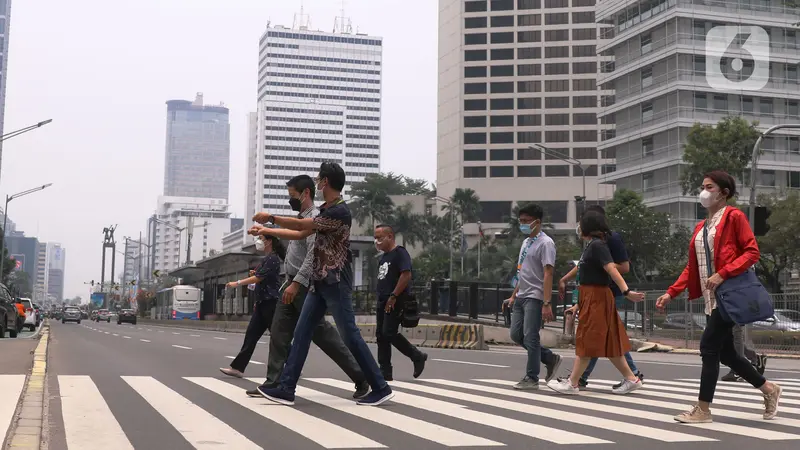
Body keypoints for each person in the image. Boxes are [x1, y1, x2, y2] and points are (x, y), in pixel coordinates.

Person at [252, 162, 393, 407]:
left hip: (335, 282)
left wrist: (271, 218)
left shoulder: (339, 212)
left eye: (319, 179)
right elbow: (298, 234)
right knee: (302, 333)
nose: (317, 183)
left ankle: (380, 387)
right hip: (319, 282)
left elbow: (302, 226)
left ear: (325, 181)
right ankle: (286, 388)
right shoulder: (326, 209)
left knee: (349, 336)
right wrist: (268, 230)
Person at [656, 171, 782, 423]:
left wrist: (722, 274)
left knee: (708, 348)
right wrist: (671, 292)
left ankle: (703, 409)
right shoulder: (701, 227)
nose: (704, 191)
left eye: (709, 186)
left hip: (729, 295)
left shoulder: (734, 216)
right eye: (702, 186)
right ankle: (769, 388)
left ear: (723, 192)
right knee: (727, 354)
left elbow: (751, 252)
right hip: (711, 298)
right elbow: (693, 267)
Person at [547, 211, 645, 395]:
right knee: (608, 342)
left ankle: (573, 383)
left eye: (581, 224)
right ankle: (632, 379)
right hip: (592, 297)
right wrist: (578, 301)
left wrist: (626, 291)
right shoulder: (593, 245)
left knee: (587, 339)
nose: (578, 227)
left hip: (597, 298)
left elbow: (612, 270)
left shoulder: (598, 246)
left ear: (588, 227)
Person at [507, 203, 562, 390]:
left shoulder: (546, 243)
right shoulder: (526, 242)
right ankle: (548, 357)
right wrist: (513, 295)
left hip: (535, 297)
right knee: (516, 334)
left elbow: (548, 274)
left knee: (531, 337)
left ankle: (532, 378)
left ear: (537, 222)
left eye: (525, 221)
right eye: (520, 220)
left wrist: (547, 302)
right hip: (521, 295)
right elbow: (522, 271)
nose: (522, 224)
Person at [219, 234, 286, 378]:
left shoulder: (272, 258)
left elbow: (259, 278)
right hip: (262, 303)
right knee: (251, 336)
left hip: (271, 303)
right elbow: (259, 276)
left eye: (261, 238)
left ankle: (292, 365)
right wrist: (255, 274)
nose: (258, 241)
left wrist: (236, 283)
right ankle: (238, 368)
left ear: (269, 241)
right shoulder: (266, 259)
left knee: (277, 337)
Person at [373, 224, 427, 381]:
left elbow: (406, 275)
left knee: (389, 333)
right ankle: (385, 371)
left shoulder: (400, 253)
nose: (377, 242)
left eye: (380, 238)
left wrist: (394, 296)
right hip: (382, 300)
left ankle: (417, 356)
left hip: (395, 300)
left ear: (390, 237)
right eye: (375, 238)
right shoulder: (383, 258)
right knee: (381, 336)